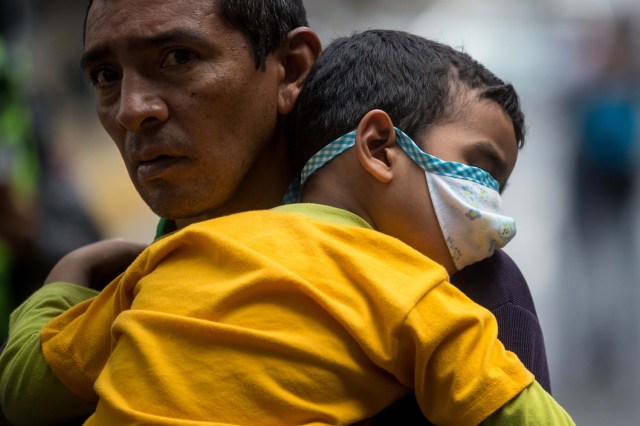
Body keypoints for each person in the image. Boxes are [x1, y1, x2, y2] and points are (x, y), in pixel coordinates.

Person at [0, 0, 550, 423]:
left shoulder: (468, 292)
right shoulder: (137, 282)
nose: (132, 109)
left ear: (290, 69)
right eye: (105, 76)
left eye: (179, 58)